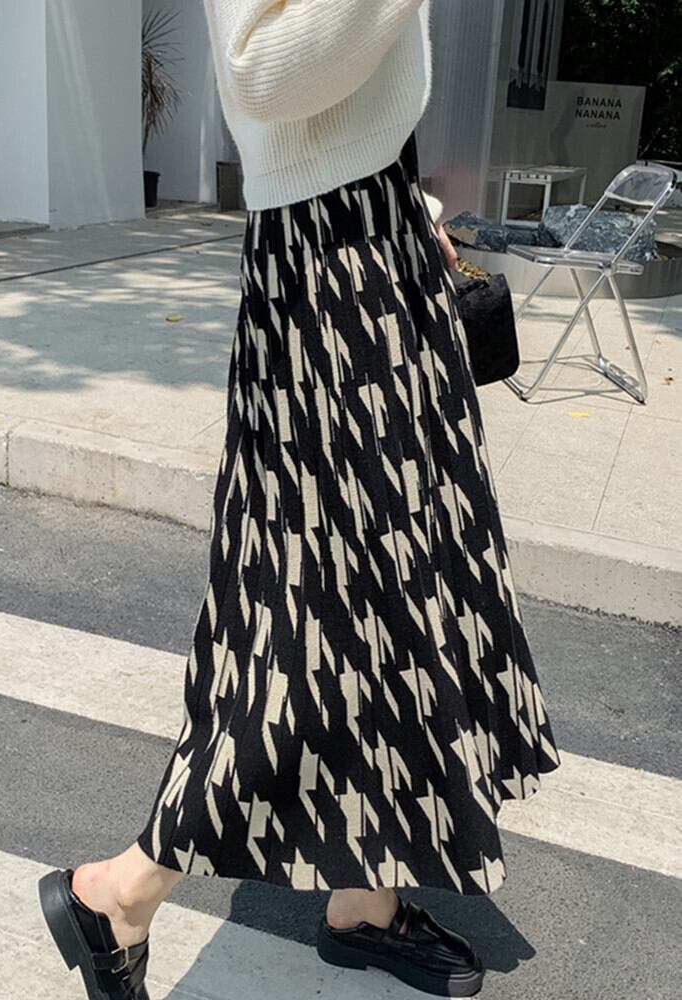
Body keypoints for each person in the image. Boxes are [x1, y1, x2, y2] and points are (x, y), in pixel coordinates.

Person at [37, 2, 561, 998]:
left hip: (373, 238)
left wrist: (403, 204)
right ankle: (121, 888)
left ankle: (363, 900)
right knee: (308, 613)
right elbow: (262, 71)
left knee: (399, 601)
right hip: (327, 281)